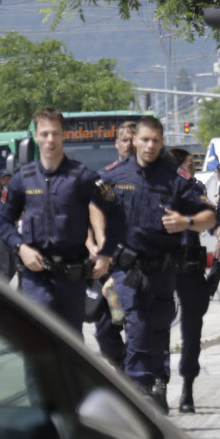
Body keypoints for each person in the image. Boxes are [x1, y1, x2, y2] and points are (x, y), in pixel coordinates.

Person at [95, 117, 216, 412]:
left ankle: (156, 384)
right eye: (145, 139)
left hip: (163, 268)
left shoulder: (176, 178)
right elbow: (93, 203)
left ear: (162, 143)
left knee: (159, 328)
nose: (150, 146)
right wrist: (101, 242)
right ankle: (138, 389)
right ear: (135, 140)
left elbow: (210, 216)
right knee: (136, 323)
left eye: (156, 141)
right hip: (127, 268)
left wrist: (186, 221)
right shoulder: (114, 175)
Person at [0, 107, 116, 330]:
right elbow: (3, 222)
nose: (50, 140)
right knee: (40, 337)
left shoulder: (83, 177)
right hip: (35, 276)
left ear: (64, 135)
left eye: (55, 133)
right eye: (44, 134)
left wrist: (105, 253)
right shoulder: (22, 179)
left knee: (70, 340)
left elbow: (116, 214)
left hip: (72, 278)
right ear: (36, 136)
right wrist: (21, 248)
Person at [168, 148, 215, 414]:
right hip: (163, 267)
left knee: (191, 331)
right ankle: (158, 384)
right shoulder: (157, 186)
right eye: (189, 165)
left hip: (190, 268)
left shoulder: (193, 189)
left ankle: (187, 386)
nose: (193, 169)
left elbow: (212, 216)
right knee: (156, 329)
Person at [91, 122, 137, 371]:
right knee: (104, 332)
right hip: (109, 264)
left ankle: (136, 379)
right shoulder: (105, 178)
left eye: (133, 139)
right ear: (116, 144)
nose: (129, 145)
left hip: (137, 266)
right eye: (124, 140)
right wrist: (93, 244)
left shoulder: (150, 178)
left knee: (137, 330)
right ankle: (123, 372)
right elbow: (88, 214)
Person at [0, 169, 19, 284]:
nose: (6, 181)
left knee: (13, 267)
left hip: (11, 232)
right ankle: (1, 290)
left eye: (8, 178)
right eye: (4, 179)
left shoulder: (13, 193)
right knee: (4, 268)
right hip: (0, 234)